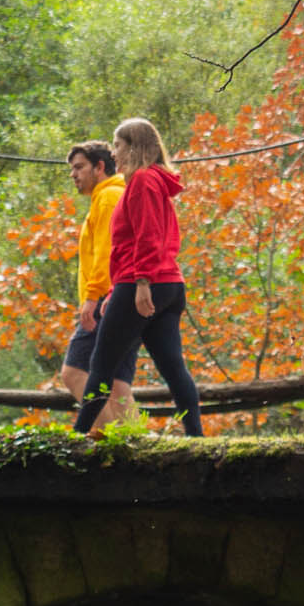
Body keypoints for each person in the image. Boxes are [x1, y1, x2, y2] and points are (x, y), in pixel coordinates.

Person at [74, 117, 204, 437]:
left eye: (117, 146)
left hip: (144, 282)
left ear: (134, 147)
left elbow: (147, 235)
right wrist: (117, 292)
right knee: (173, 368)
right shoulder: (154, 181)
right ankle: (197, 438)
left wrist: (140, 283)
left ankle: (76, 438)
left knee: (101, 366)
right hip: (168, 284)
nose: (114, 153)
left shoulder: (143, 180)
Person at [57, 139, 138, 430]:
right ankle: (140, 447)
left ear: (100, 167)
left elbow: (108, 252)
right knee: (117, 383)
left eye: (79, 167)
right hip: (128, 296)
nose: (73, 175)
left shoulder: (108, 198)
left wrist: (92, 297)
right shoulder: (118, 195)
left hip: (108, 296)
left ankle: (111, 444)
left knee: (74, 371)